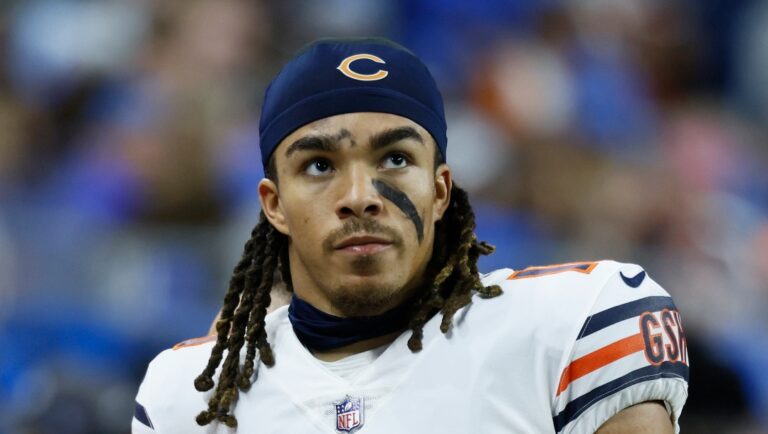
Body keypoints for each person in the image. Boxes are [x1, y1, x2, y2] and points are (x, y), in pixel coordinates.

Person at [132, 37, 689, 433]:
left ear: (440, 191)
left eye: (395, 157)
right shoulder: (190, 396)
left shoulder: (574, 327)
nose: (360, 195)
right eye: (320, 165)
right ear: (273, 204)